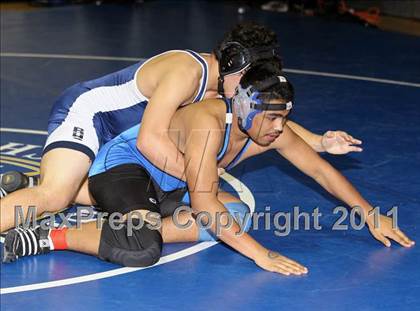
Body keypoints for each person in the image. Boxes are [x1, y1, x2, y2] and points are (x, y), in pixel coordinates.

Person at [3, 63, 413, 276]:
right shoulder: (209, 123)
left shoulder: (269, 130)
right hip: (124, 168)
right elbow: (202, 201)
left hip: (165, 183)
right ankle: (44, 235)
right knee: (141, 246)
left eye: (283, 119)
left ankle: (46, 188)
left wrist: (369, 213)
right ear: (247, 109)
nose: (278, 129)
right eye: (271, 119)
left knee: (235, 213)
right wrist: (261, 254)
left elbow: (321, 172)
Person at [0, 22, 362, 233]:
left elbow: (261, 114)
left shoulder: (230, 88)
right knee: (54, 197)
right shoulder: (186, 72)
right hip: (91, 116)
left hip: (122, 140)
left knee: (161, 193)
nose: (255, 90)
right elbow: (150, 140)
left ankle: (34, 184)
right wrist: (201, 183)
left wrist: (318, 142)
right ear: (234, 64)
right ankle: (45, 187)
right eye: (252, 79)